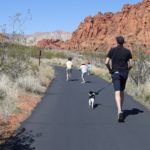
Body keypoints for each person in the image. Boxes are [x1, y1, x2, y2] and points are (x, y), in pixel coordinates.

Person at [105, 36, 133, 122]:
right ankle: (121, 109)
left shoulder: (112, 50)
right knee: (122, 91)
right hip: (124, 73)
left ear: (117, 42)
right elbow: (131, 64)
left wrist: (110, 70)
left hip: (115, 73)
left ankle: (119, 110)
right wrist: (127, 70)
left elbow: (106, 62)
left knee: (117, 92)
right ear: (123, 42)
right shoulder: (128, 51)